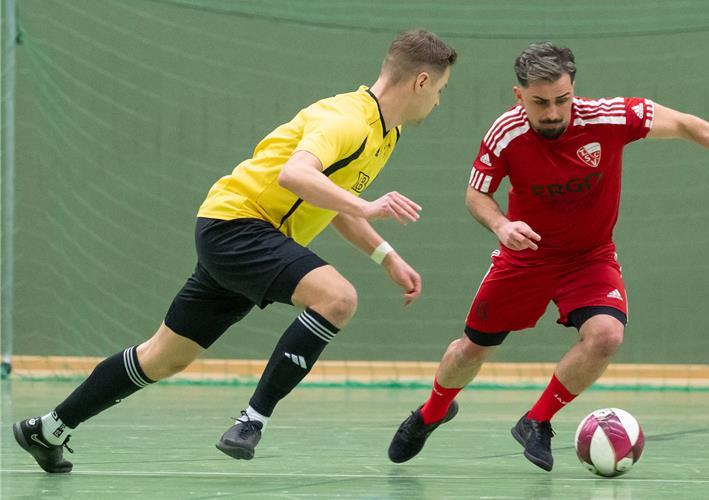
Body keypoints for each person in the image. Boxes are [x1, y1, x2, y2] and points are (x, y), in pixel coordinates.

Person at [13, 28, 457, 473]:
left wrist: (386, 256)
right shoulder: (348, 120)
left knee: (163, 357)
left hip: (239, 234)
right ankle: (252, 420)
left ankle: (48, 428)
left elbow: (330, 199)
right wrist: (368, 204)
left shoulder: (387, 134)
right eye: (438, 90)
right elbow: (295, 175)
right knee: (337, 298)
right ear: (420, 81)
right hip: (239, 226)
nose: (437, 102)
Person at [387, 41, 709, 471]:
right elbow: (476, 194)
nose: (553, 112)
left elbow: (685, 124)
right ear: (520, 97)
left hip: (589, 258)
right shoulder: (506, 132)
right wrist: (502, 226)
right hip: (525, 259)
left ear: (574, 89)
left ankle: (536, 421)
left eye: (562, 99)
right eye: (540, 103)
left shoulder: (611, 117)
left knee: (607, 336)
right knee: (471, 351)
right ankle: (432, 412)